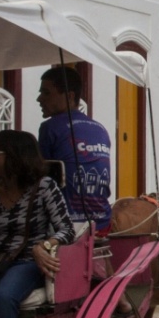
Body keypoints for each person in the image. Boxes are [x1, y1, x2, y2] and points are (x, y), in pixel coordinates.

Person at [0, 130, 76, 318]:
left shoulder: (44, 187)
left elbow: (68, 229)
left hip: (25, 263)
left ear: (15, 155)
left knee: (4, 298)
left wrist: (43, 246)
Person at [37, 65, 113, 230]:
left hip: (66, 226)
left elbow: (39, 178)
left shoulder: (50, 128)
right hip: (102, 222)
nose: (39, 99)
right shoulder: (101, 129)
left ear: (70, 96)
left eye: (46, 93)